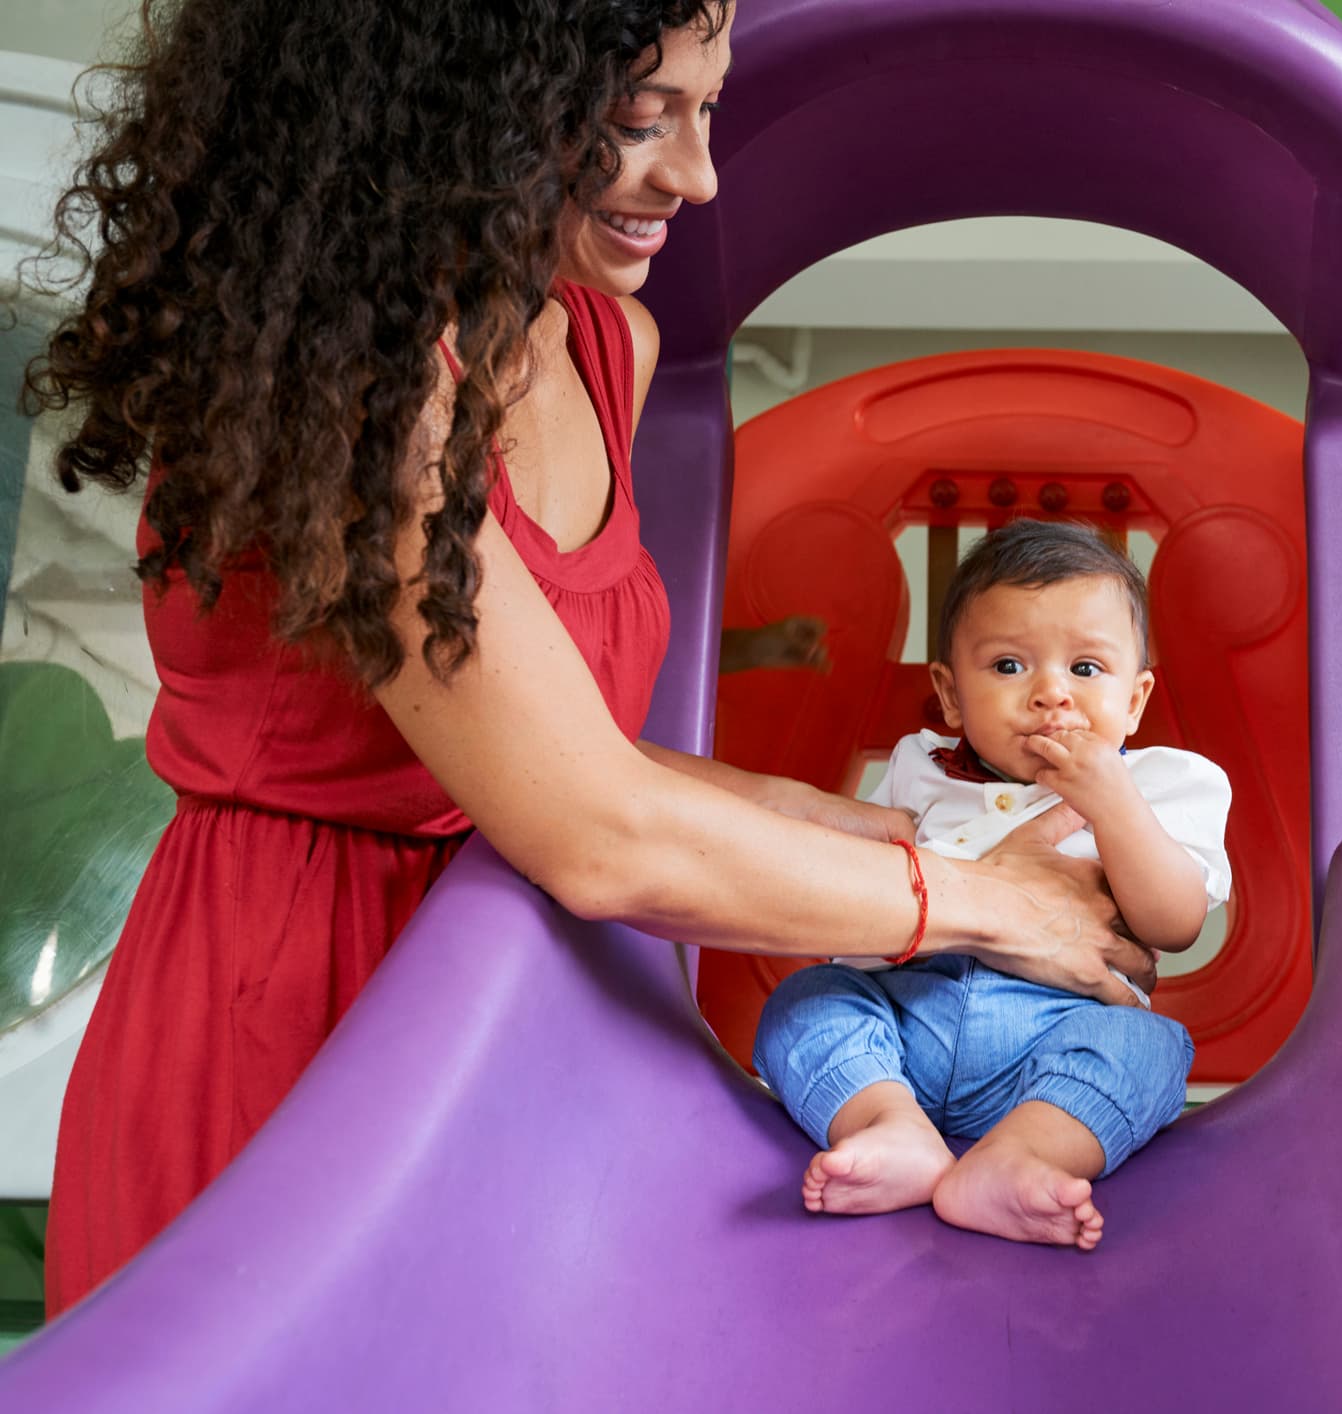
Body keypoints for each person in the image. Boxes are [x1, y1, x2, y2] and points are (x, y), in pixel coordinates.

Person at [21, 0, 1151, 1318]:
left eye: (705, 109)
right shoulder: (345, 395)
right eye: (635, 121)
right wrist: (985, 902)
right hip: (297, 1025)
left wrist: (948, 843)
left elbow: (579, 755)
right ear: (458, 115)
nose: (695, 174)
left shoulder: (606, 345)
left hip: (521, 1013)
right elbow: (595, 830)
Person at [754, 520, 1232, 1251]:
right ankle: (887, 1125)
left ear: (1134, 701)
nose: (1050, 696)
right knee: (805, 1002)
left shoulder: (1165, 784)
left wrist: (1114, 806)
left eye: (1085, 669)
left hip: (1056, 1036)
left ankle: (1022, 1156)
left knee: (1149, 1046)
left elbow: (1173, 926)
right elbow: (875, 879)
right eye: (1009, 667)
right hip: (903, 1017)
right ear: (950, 695)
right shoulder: (920, 767)